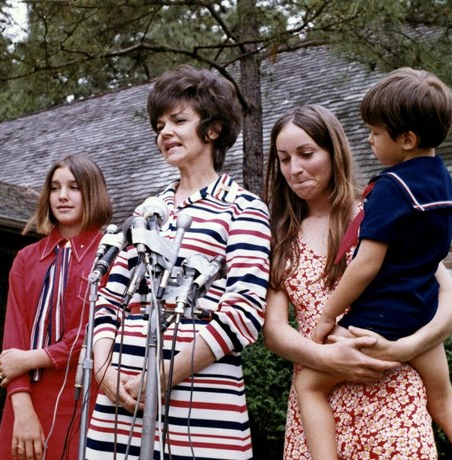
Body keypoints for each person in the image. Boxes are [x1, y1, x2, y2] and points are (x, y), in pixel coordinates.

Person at [294, 69, 452, 460]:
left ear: (406, 139)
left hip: (378, 319)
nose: (368, 140)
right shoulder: (443, 182)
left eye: (375, 132)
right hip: (422, 313)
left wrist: (327, 316)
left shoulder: (391, 188)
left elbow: (366, 265)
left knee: (310, 385)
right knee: (446, 403)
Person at [85, 64, 271, 459]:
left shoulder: (243, 208)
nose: (164, 132)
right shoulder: (146, 211)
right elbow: (108, 299)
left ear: (213, 128)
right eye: (159, 125)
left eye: (178, 120)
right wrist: (103, 370)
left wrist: (162, 376)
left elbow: (244, 314)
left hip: (204, 414)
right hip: (118, 412)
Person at [0, 154, 113, 460]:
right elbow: (13, 341)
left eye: (74, 187)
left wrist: (37, 356)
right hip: (27, 399)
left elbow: (101, 327)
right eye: (55, 187)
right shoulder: (26, 260)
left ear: (93, 192)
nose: (62, 196)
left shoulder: (114, 255)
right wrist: (21, 406)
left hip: (88, 395)